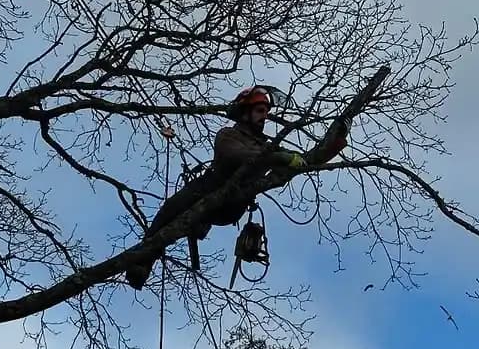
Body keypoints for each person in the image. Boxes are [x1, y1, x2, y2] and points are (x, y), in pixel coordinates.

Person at [125, 87, 339, 290]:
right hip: (208, 190)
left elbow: (305, 160)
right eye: (259, 111)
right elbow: (234, 154)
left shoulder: (267, 146)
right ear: (245, 113)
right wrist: (277, 157)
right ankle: (142, 262)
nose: (264, 116)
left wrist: (335, 142)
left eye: (266, 111)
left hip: (233, 204)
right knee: (171, 209)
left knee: (180, 211)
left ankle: (195, 224)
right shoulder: (229, 135)